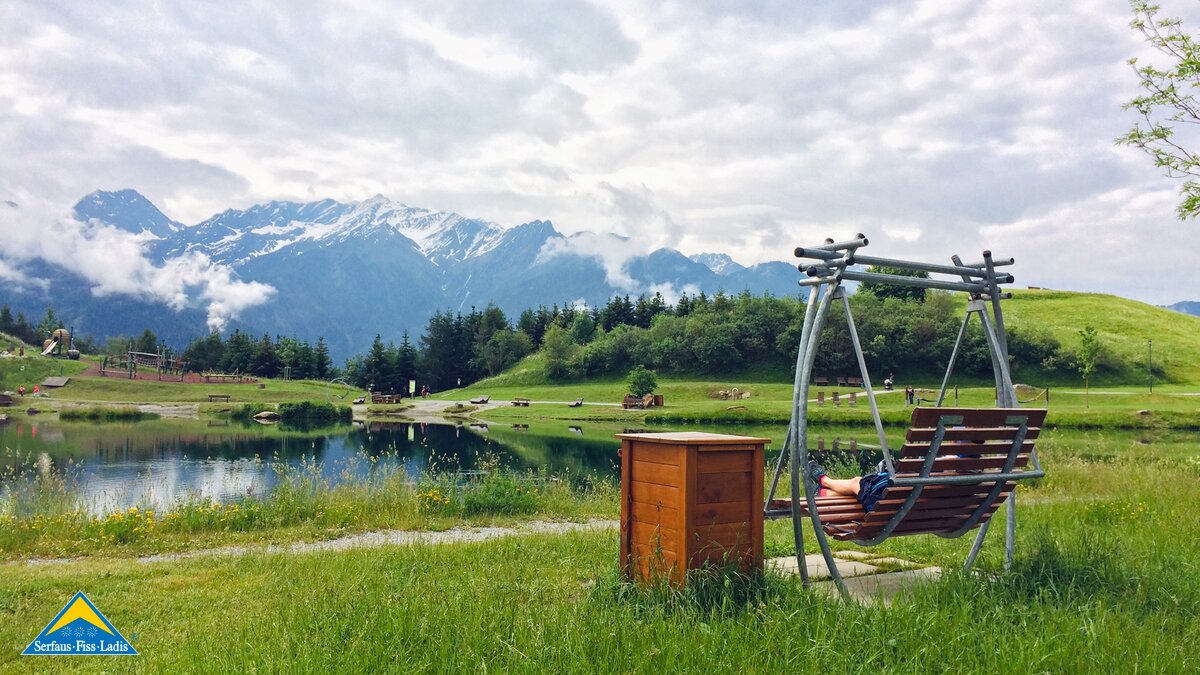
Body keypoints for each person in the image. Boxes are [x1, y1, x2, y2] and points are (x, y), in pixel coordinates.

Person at [808, 461, 892, 514]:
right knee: (860, 491)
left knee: (859, 483)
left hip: (879, 506)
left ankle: (825, 481)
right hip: (897, 511)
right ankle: (823, 493)